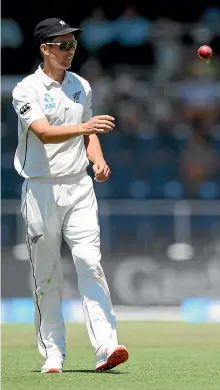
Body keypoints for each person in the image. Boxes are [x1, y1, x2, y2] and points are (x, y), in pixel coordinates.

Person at [12, 18, 129, 373]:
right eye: (62, 45)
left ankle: (106, 348)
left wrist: (99, 160)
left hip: (79, 186)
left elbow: (88, 134)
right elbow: (45, 133)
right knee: (46, 275)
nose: (69, 51)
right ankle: (54, 352)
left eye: (73, 45)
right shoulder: (26, 90)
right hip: (40, 188)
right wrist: (87, 128)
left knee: (89, 262)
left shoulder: (81, 85)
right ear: (44, 49)